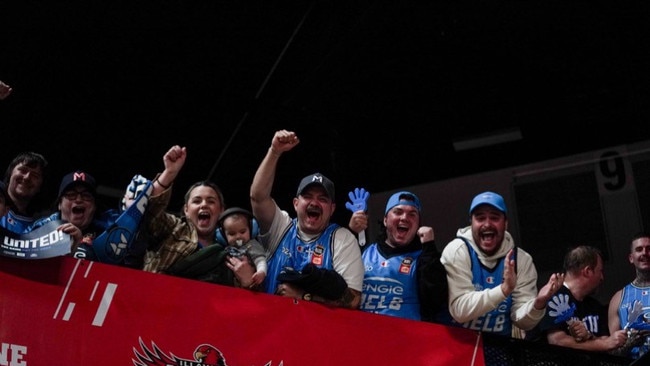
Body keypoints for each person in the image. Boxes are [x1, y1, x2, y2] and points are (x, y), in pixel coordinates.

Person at [250, 129, 364, 309]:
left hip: (316, 334)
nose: (315, 202)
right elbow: (258, 197)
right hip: (270, 328)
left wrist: (304, 296)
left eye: (323, 199)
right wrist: (274, 152)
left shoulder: (342, 239)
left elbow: (354, 300)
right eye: (308, 196)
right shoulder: (281, 226)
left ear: (332, 209)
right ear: (296, 203)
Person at [439, 191, 564, 337]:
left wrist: (537, 304)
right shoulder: (457, 251)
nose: (487, 224)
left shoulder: (521, 260)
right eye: (480, 218)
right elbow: (460, 311)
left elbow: (522, 322)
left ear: (505, 223)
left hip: (498, 351)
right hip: (458, 347)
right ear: (471, 223)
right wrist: (503, 290)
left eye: (494, 217)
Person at [142, 145, 257, 289]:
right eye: (197, 201)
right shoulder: (172, 227)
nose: (204, 205)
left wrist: (248, 282)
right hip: (156, 303)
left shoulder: (234, 250)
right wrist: (169, 173)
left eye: (211, 201)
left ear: (221, 211)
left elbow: (244, 304)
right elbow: (149, 211)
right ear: (186, 210)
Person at [348, 190, 447, 321]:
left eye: (412, 214)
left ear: (418, 225)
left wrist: (429, 250)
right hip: (364, 334)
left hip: (405, 338)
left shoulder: (423, 258)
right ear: (385, 220)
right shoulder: (364, 252)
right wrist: (350, 234)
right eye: (398, 212)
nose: (405, 217)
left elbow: (436, 303)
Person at [527, 245, 626, 352]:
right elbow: (557, 341)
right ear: (587, 271)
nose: (602, 277)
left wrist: (589, 336)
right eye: (600, 271)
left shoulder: (594, 306)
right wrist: (604, 344)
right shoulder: (554, 297)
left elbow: (605, 339)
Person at [608, 232, 650, 359]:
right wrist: (630, 343)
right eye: (639, 249)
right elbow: (612, 351)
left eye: (649, 249)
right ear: (631, 258)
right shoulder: (618, 298)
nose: (644, 253)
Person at [216, 207, 267, 287]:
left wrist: (261, 272)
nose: (238, 236)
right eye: (232, 234)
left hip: (252, 285)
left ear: (251, 230)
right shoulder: (224, 250)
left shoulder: (251, 245)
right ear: (223, 236)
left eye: (242, 232)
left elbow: (260, 260)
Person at [1, 151, 49, 232]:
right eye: (23, 170)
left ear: (40, 186)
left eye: (35, 175)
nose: (27, 177)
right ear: (10, 174)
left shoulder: (43, 226)